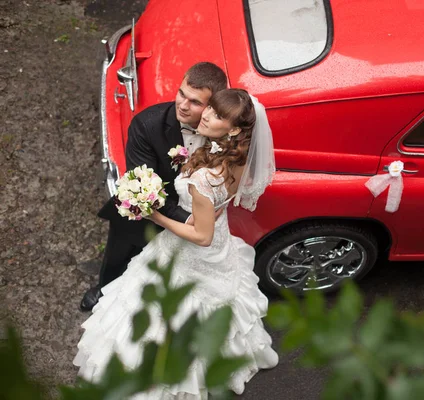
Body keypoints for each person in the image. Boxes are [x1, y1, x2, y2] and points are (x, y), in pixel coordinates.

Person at [74, 89, 278, 397]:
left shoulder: (205, 178)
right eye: (210, 108)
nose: (205, 115)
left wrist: (157, 217)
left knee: (162, 313)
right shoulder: (238, 154)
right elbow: (220, 205)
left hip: (195, 250)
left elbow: (202, 236)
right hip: (219, 239)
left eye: (217, 115)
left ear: (234, 128)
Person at [80, 62, 228, 311]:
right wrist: (190, 219)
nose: (182, 104)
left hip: (198, 216)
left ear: (212, 107)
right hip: (148, 211)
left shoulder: (223, 129)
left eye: (195, 102)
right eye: (182, 93)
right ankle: (104, 289)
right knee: (120, 253)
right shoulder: (147, 125)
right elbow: (143, 185)